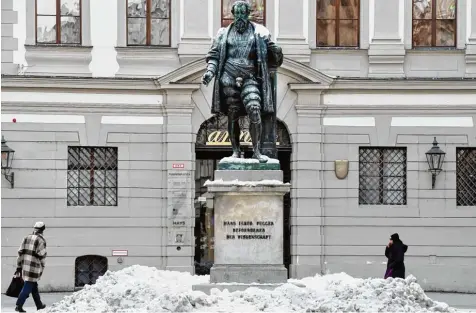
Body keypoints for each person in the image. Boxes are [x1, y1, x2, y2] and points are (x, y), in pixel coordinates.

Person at [202, 0, 283, 162]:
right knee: (233, 115)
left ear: (248, 14)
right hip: (228, 78)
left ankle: (256, 151)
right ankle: (235, 151)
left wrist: (274, 48)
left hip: (250, 77)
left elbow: (276, 58)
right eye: (237, 13)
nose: (239, 17)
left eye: (243, 13)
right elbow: (214, 55)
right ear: (233, 14)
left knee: (254, 108)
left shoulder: (258, 33)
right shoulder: (223, 34)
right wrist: (210, 71)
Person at [15, 222, 47, 312]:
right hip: (34, 267)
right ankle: (19, 305)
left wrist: (18, 265)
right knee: (28, 285)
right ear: (43, 229)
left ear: (34, 228)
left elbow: (20, 252)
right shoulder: (41, 240)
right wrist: (43, 266)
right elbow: (42, 255)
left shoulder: (26, 237)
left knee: (34, 286)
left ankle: (39, 305)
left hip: (25, 265)